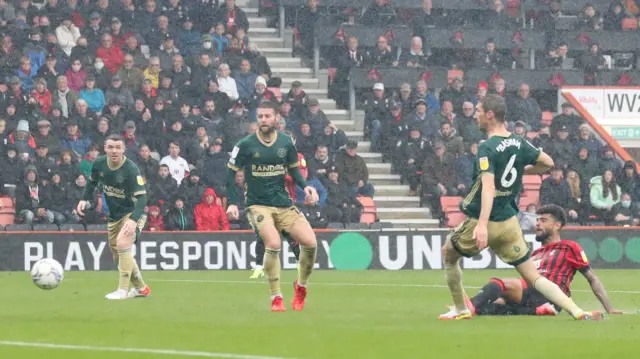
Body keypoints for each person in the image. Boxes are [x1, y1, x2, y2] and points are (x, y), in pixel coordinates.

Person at [439, 94, 603, 321]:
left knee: (448, 254)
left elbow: (488, 188)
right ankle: (576, 310)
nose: (476, 114)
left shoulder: (487, 147)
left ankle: (461, 308)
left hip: (486, 219)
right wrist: (521, 170)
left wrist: (483, 225)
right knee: (533, 276)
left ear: (490, 114)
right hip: (510, 223)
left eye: (478, 110)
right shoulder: (518, 141)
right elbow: (547, 163)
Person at [226, 101, 319, 312]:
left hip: (283, 203)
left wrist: (306, 187)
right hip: (258, 205)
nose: (263, 120)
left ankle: (301, 286)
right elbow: (230, 176)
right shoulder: (246, 144)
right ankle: (276, 296)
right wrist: (232, 202)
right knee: (274, 243)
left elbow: (295, 171)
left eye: (267, 116)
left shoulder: (286, 142)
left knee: (311, 243)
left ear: (277, 118)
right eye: (260, 117)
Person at [469, 204, 623, 316]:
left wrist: (609, 308)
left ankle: (466, 307)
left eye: (543, 220)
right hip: (530, 296)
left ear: (556, 226)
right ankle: (537, 311)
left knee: (500, 283)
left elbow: (592, 278)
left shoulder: (570, 247)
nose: (537, 224)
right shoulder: (536, 252)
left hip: (551, 295)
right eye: (537, 220)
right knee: (491, 306)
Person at [76, 134, 151, 300]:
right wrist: (83, 198)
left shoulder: (131, 169)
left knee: (123, 243)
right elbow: (92, 182)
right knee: (119, 256)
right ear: (105, 148)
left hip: (133, 213)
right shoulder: (100, 164)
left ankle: (122, 290)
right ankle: (141, 288)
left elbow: (142, 198)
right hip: (114, 216)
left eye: (118, 147)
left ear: (124, 149)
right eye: (111, 147)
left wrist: (133, 220)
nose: (114, 150)